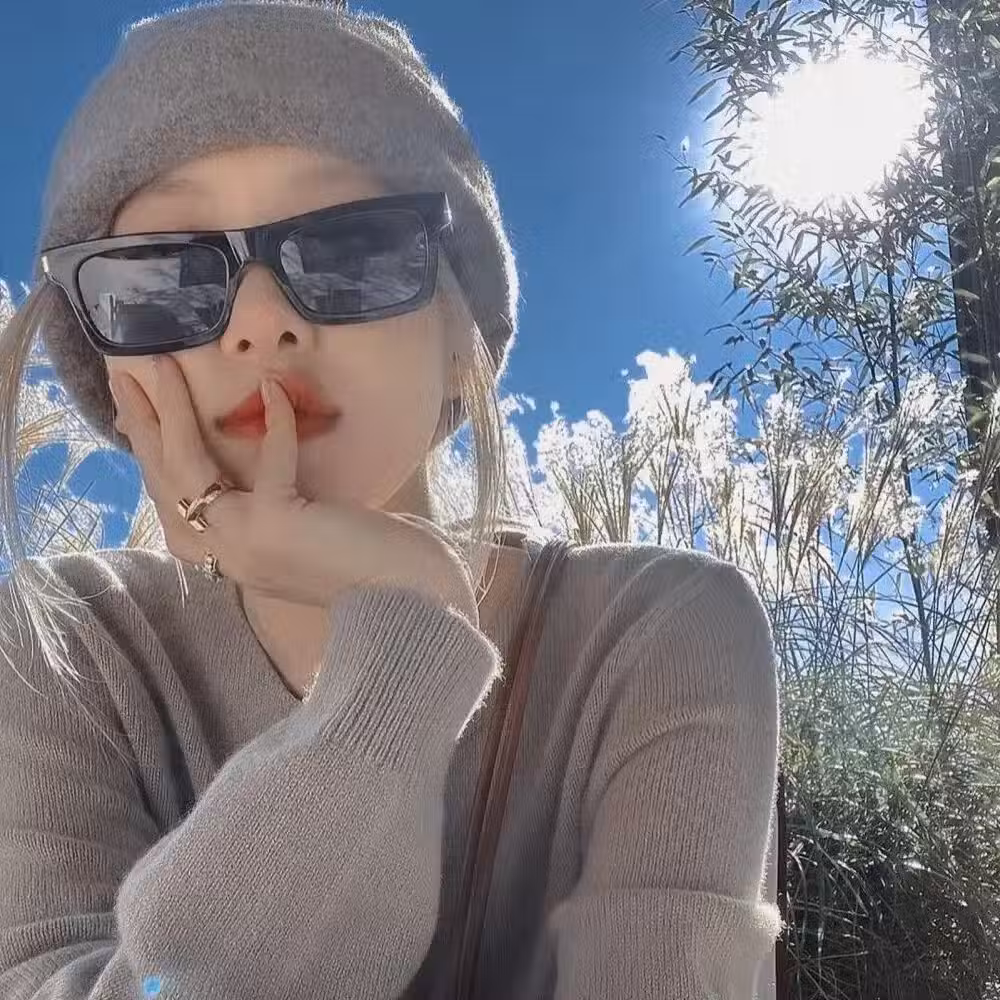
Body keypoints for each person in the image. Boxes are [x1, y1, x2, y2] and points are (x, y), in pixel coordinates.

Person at [0, 2, 782, 998]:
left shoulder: (657, 631)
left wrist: (409, 628)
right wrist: (402, 646)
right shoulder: (60, 644)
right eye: (160, 278)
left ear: (462, 337)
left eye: (351, 250)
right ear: (109, 370)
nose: (260, 324)